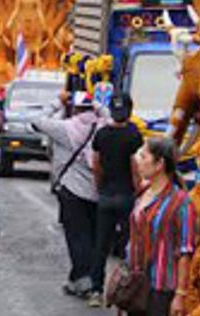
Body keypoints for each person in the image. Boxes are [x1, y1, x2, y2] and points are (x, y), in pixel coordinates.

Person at [33, 89, 100, 301]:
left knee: (76, 236)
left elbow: (36, 120)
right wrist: (102, 107)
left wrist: (56, 102)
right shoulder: (103, 126)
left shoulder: (65, 128)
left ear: (75, 108)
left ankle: (83, 280)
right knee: (92, 237)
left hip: (71, 189)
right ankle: (82, 278)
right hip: (97, 190)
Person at [125, 137, 195, 316]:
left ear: (159, 164)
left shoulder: (181, 201)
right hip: (136, 284)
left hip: (161, 290)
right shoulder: (143, 192)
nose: (138, 160)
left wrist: (180, 295)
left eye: (143, 156)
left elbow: (185, 251)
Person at [90, 92, 143, 300]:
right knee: (130, 245)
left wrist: (100, 187)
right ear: (130, 111)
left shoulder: (101, 134)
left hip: (106, 196)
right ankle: (126, 290)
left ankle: (95, 290)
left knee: (100, 245)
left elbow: (96, 165)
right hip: (127, 196)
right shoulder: (134, 135)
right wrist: (138, 191)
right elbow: (135, 167)